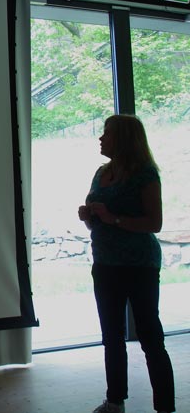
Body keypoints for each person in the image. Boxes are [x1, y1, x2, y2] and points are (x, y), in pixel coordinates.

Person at [78, 114, 175, 413]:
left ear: (123, 139)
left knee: (150, 337)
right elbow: (96, 224)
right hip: (105, 263)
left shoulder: (145, 174)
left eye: (107, 133)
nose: (101, 138)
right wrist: (88, 217)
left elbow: (154, 223)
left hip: (139, 265)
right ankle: (115, 401)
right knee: (111, 336)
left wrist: (114, 218)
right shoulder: (101, 173)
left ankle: (165, 407)